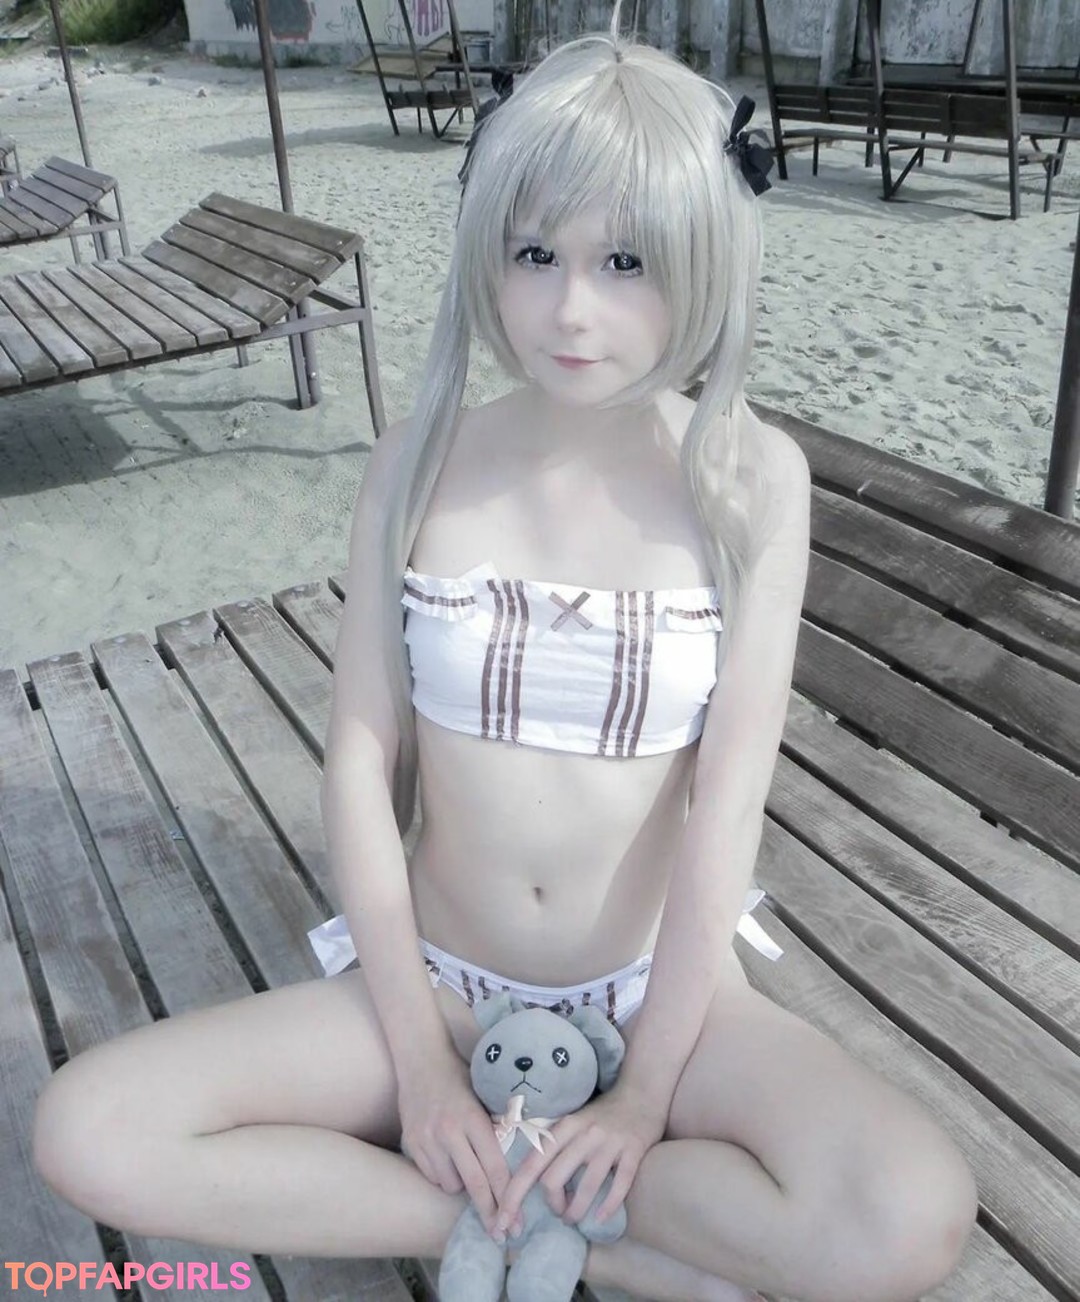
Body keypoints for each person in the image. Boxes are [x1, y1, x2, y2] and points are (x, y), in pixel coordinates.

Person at [33, 14, 976, 1302]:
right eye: (536, 253)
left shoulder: (751, 478)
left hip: (655, 996)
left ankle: (549, 1205)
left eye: (626, 260)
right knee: (87, 1130)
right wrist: (424, 1066)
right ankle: (548, 1222)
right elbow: (358, 762)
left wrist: (644, 1092)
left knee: (909, 1216)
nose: (571, 308)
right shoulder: (421, 463)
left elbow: (728, 805)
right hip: (440, 986)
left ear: (706, 254)